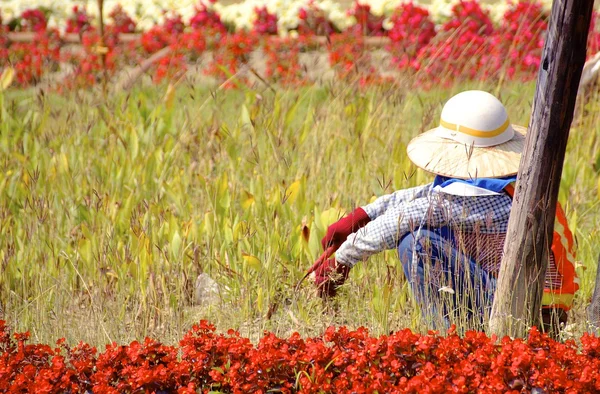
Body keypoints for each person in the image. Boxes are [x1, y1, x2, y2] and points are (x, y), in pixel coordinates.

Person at [308, 90, 579, 333]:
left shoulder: (484, 202)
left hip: (527, 314)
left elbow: (409, 216)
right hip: (530, 300)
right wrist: (363, 215)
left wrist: (341, 261)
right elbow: (424, 194)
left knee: (415, 243)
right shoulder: (509, 183)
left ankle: (448, 342)